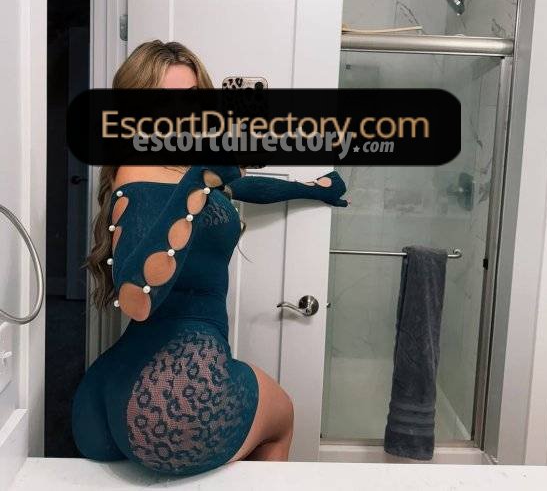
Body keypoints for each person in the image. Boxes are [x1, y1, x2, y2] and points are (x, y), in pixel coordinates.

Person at [71, 40, 349, 477]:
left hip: (113, 387)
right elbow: (136, 298)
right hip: (172, 395)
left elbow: (240, 187)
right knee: (283, 417)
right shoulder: (140, 173)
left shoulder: (182, 169)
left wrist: (316, 188)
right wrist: (201, 179)